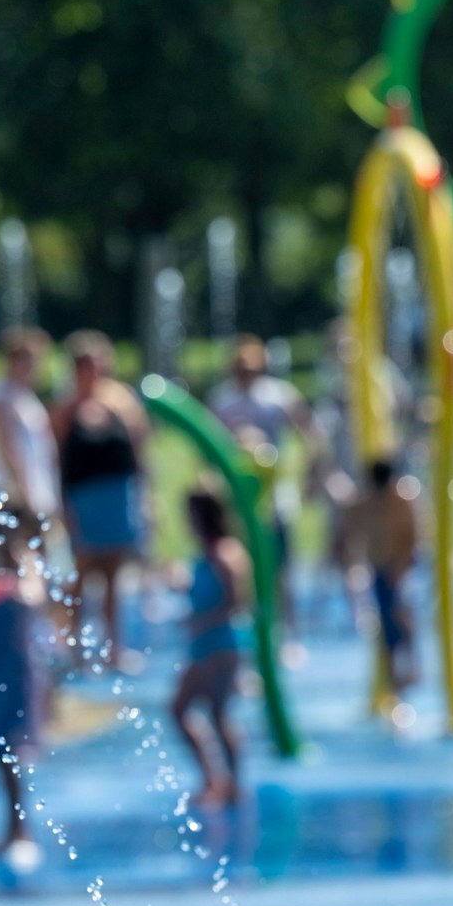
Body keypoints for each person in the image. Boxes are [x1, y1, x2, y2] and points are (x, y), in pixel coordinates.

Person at [209, 335, 328, 633]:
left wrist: (311, 472)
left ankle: (288, 629)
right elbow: (210, 446)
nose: (245, 375)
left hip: (274, 492)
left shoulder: (278, 395)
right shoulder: (223, 400)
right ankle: (249, 628)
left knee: (282, 565)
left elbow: (311, 433)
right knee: (243, 565)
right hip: (237, 495)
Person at [50, 330, 151, 671]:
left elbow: (140, 453)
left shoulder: (122, 401)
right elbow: (57, 460)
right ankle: (75, 650)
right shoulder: (65, 408)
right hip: (83, 497)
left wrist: (146, 497)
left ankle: (113, 649)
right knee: (82, 574)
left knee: (113, 574)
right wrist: (62, 505)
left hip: (116, 493)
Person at [0, 502, 47, 868]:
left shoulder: (25, 565)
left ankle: (23, 831)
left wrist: (19, 563)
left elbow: (32, 599)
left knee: (13, 754)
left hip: (18, 673)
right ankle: (9, 829)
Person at [173, 488, 251, 807]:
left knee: (214, 713)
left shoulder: (225, 553)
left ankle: (230, 784)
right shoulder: (207, 552)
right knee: (192, 711)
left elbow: (236, 601)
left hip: (220, 643)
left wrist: (201, 621)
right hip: (204, 644)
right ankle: (217, 780)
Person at [346, 458, 423, 692]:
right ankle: (395, 672)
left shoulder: (401, 500)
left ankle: (409, 666)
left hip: (400, 567)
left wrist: (401, 569)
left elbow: (412, 537)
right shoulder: (368, 502)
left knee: (400, 615)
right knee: (388, 619)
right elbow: (352, 527)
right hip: (380, 567)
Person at [0, 328, 62, 525]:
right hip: (11, 499)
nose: (36, 367)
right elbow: (8, 447)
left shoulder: (24, 397)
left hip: (34, 499)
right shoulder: (2, 397)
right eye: (31, 360)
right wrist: (25, 496)